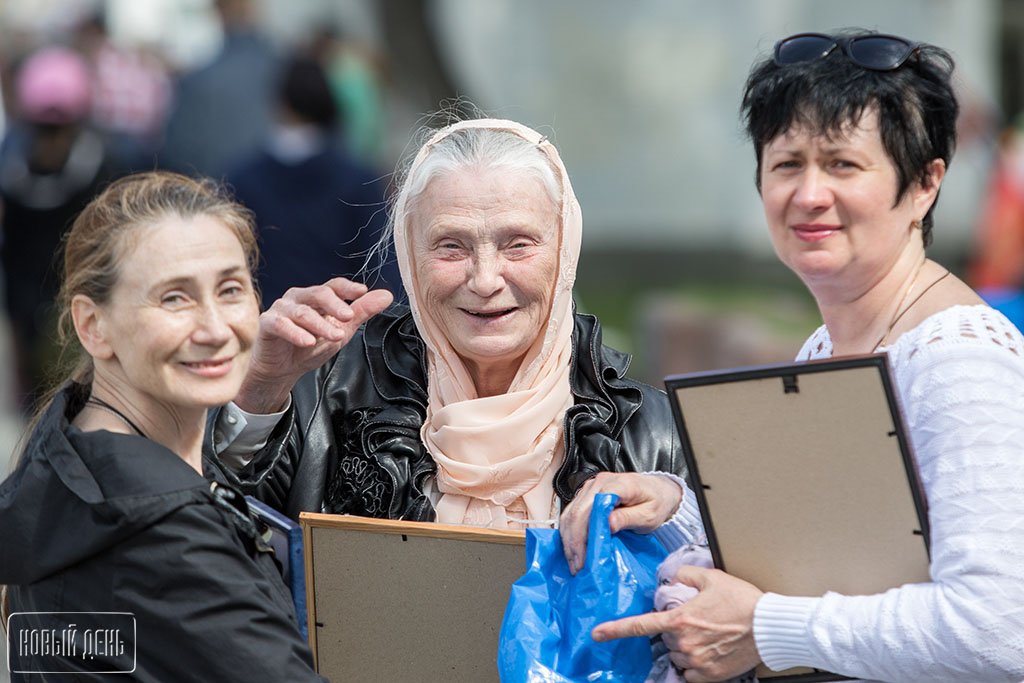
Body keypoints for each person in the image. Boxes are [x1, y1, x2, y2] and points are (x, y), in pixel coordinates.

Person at [560, 31, 1024, 682]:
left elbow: (1000, 630)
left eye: (842, 164)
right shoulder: (831, 342)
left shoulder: (959, 363)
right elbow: (822, 529)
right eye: (786, 164)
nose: (808, 194)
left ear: (924, 184)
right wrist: (673, 503)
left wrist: (766, 629)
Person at [212, 118, 687, 528]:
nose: (484, 280)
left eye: (517, 244)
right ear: (410, 258)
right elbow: (225, 531)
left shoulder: (655, 435)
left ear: (564, 252)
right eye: (451, 246)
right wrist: (262, 384)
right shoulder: (327, 396)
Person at [0, 172, 324, 681]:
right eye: (175, 298)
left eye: (231, 289)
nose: (216, 329)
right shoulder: (168, 538)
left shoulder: (64, 469)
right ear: (92, 325)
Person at [226, 53, 400, 304]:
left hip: (267, 316)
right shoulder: (359, 178)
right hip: (343, 321)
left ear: (280, 103)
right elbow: (383, 261)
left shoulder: (241, 179)